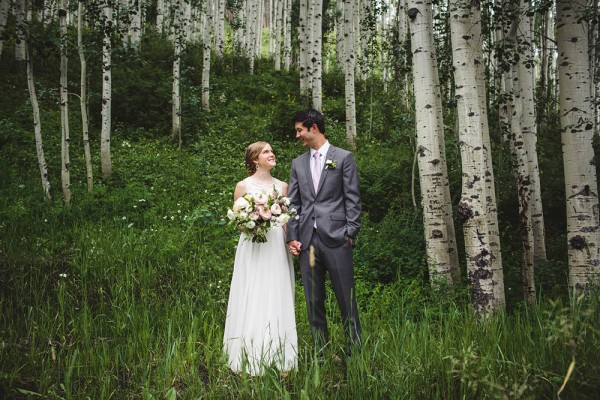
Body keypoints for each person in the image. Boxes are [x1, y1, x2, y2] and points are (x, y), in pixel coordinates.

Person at [286, 109, 362, 358]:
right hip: (308, 244)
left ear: (314, 128)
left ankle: (354, 355)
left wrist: (350, 232)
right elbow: (294, 204)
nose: (297, 135)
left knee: (346, 300)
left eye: (300, 130)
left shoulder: (343, 157)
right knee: (313, 301)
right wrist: (292, 236)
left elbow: (352, 198)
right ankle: (322, 354)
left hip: (337, 240)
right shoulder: (298, 163)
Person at [223, 141, 298, 376]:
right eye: (266, 151)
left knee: (276, 293)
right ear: (255, 159)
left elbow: (287, 222)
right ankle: (248, 354)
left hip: (275, 246)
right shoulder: (243, 186)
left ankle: (281, 357)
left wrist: (292, 242)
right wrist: (254, 222)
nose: (272, 154)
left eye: (272, 150)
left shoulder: (283, 186)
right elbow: (238, 222)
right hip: (253, 247)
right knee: (253, 293)